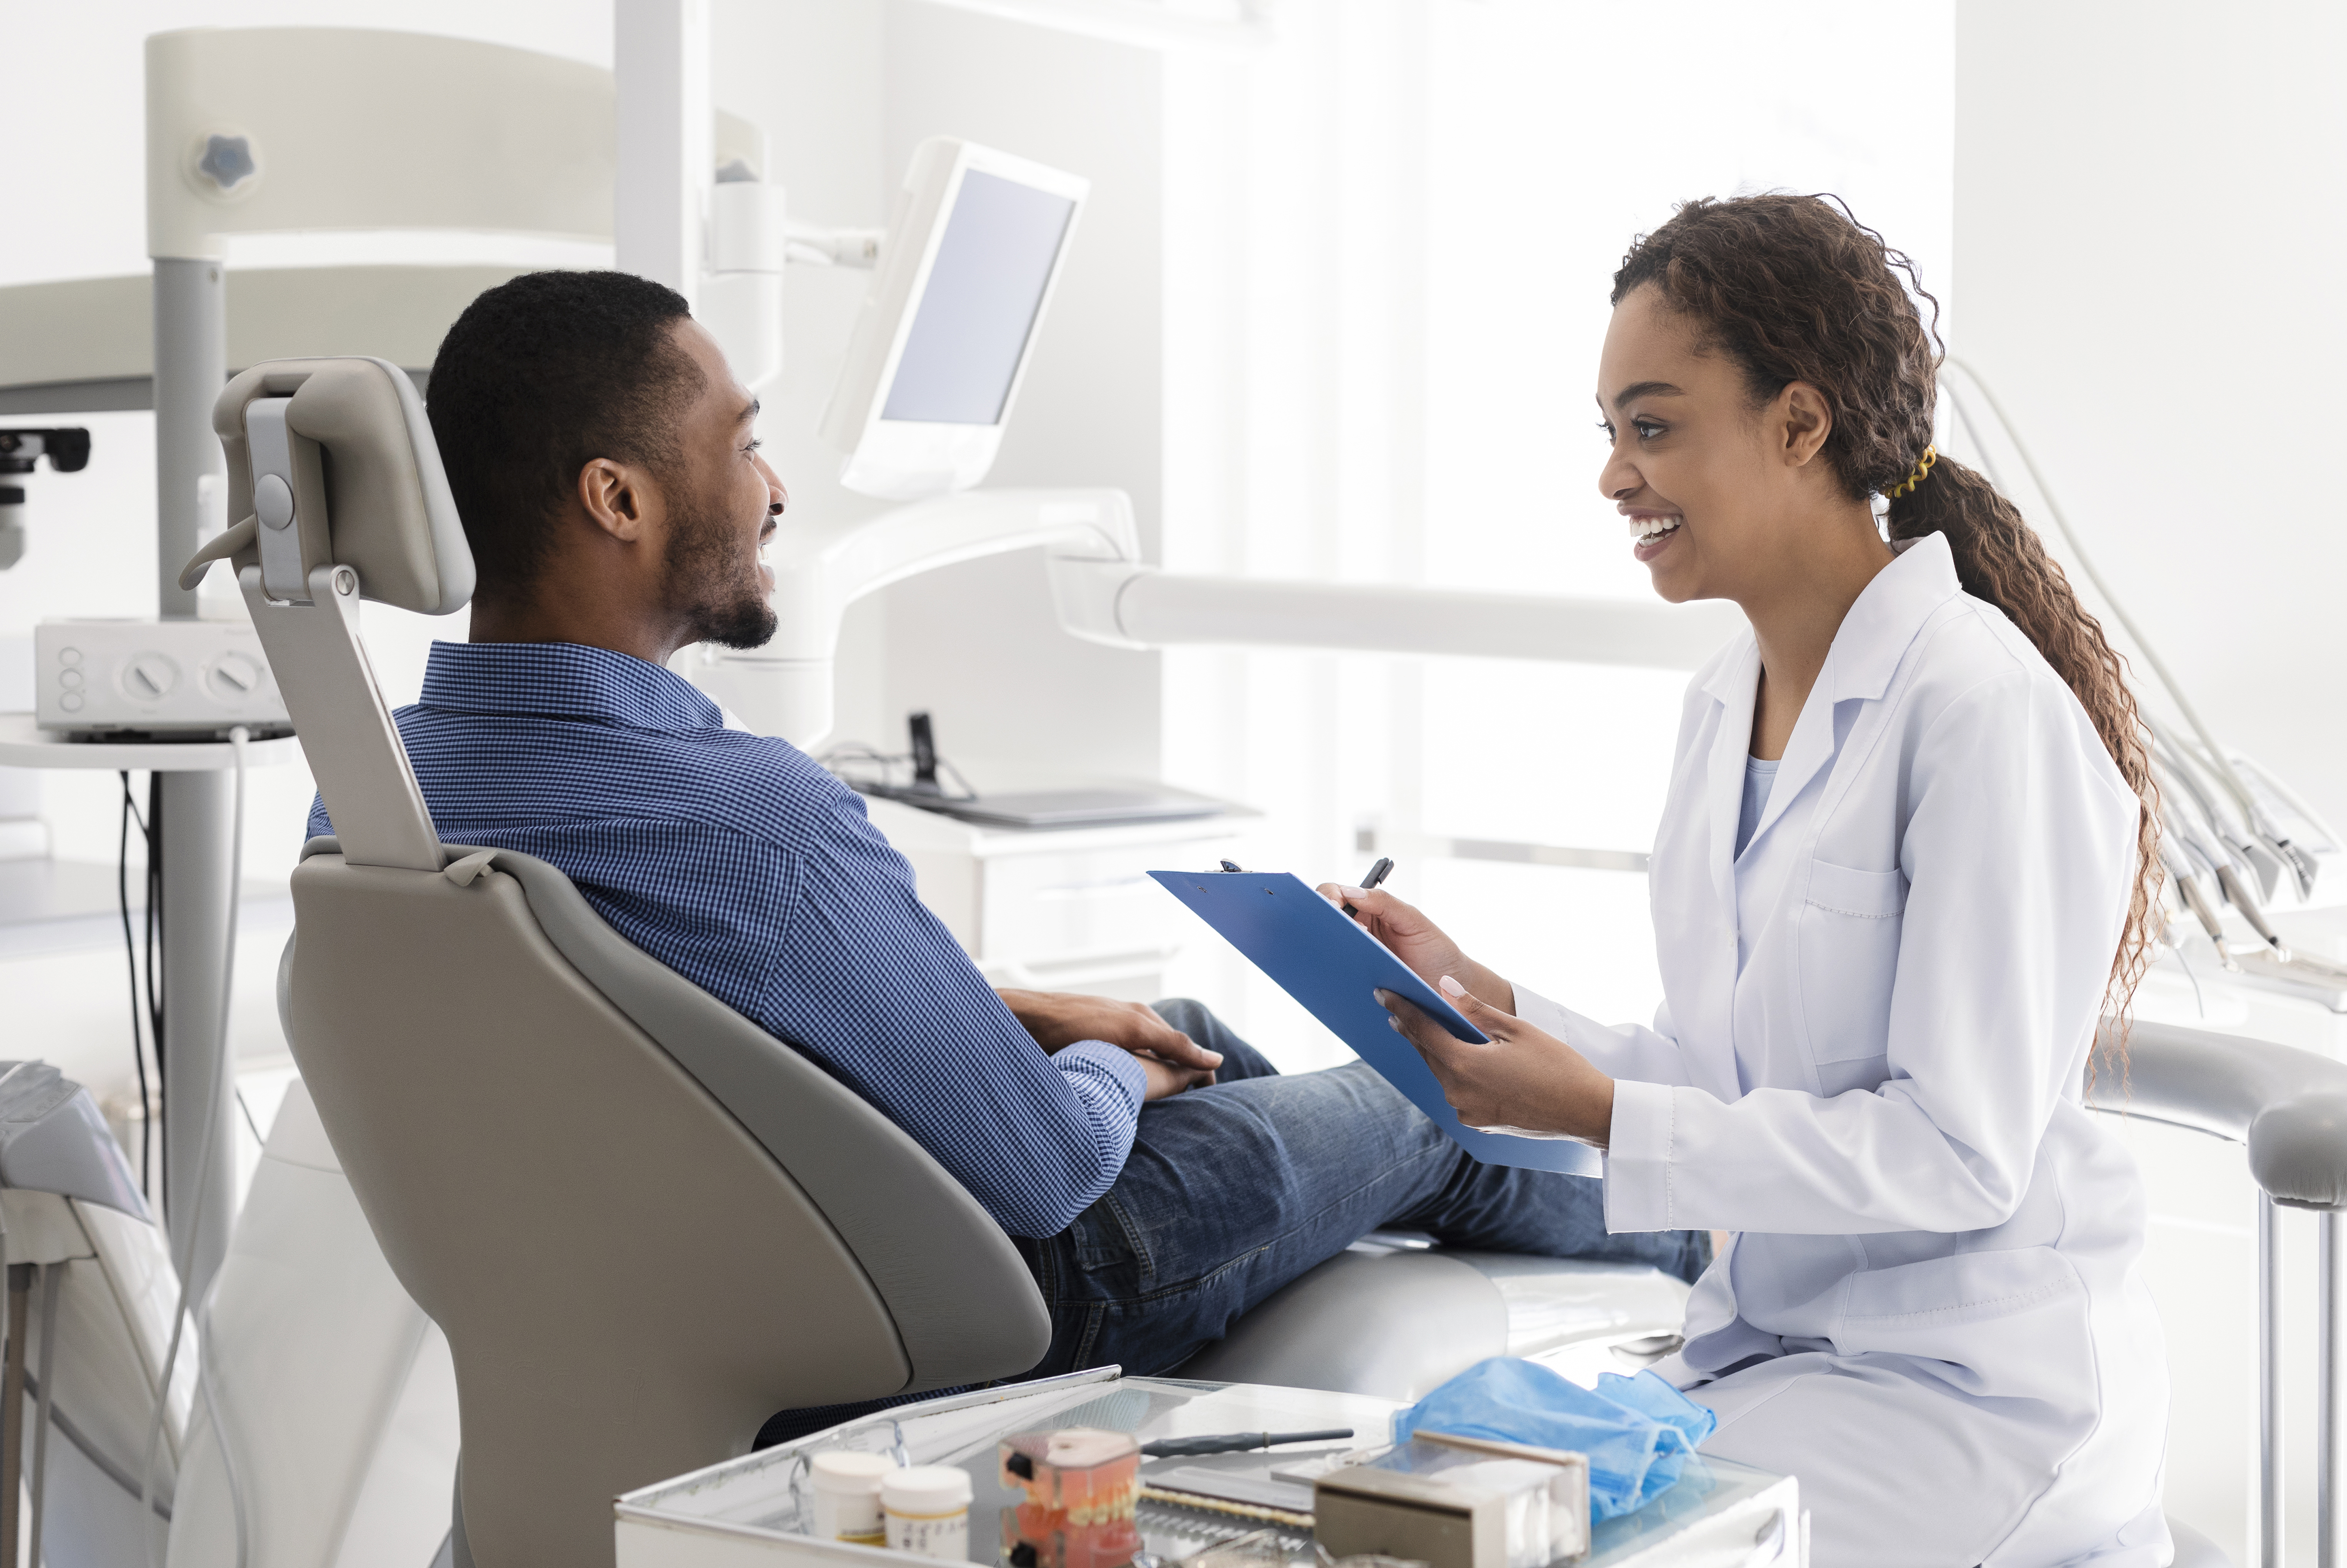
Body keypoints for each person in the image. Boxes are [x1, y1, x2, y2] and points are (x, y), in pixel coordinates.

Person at [305, 268, 1707, 1437]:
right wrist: (1108, 1062)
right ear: (619, 501)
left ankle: (1353, 1204)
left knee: (1195, 1027)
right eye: (741, 444)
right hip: (1007, 1291)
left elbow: (659, 1021)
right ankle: (1714, 1242)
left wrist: (1046, 1016)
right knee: (1406, 1099)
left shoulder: (377, 811)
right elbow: (1042, 1175)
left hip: (691, 1275)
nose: (774, 488)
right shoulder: (756, 819)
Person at [1350, 195, 2170, 1566]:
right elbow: (1728, 1068)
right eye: (1610, 433)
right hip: (1781, 1351)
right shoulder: (1726, 699)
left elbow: (1959, 1154)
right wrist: (1497, 1009)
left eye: (1654, 426)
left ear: (1801, 425)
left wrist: (1608, 1113)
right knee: (1416, 1495)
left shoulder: (1981, 711)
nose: (1616, 476)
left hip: (1969, 1393)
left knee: (1537, 1546)